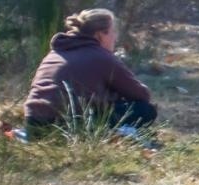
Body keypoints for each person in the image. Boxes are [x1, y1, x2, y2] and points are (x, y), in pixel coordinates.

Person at [23, 9, 157, 135]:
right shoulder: (102, 57)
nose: (115, 38)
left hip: (33, 125)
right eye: (113, 32)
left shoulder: (55, 53)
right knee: (145, 110)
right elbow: (141, 94)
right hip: (68, 126)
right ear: (100, 34)